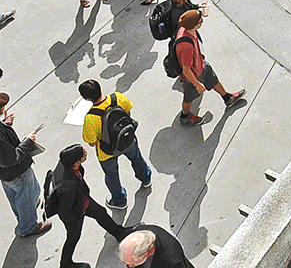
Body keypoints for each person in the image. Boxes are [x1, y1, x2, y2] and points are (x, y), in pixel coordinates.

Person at [78, 80, 152, 209]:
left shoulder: (90, 118)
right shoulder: (118, 97)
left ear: (87, 98)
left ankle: (119, 200)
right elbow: (128, 113)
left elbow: (91, 142)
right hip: (127, 140)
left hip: (107, 152)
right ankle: (145, 178)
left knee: (112, 175)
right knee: (137, 158)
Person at [53, 143, 128, 268]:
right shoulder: (68, 186)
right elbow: (65, 211)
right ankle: (65, 264)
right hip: (75, 212)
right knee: (73, 237)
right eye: (84, 154)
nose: (86, 153)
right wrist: (78, 214)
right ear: (76, 162)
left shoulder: (66, 164)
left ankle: (119, 233)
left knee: (101, 213)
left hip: (82, 200)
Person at [173, 9, 246, 125]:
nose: (202, 22)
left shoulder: (189, 29)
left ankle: (227, 98)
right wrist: (197, 83)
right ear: (194, 25)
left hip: (201, 64)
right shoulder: (185, 46)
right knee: (189, 97)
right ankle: (185, 116)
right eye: (200, 21)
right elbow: (186, 70)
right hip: (193, 76)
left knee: (213, 78)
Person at [0, 92, 51, 237]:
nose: (4, 108)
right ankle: (28, 227)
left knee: (18, 196)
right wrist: (28, 141)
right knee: (25, 195)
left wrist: (5, 125)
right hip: (17, 172)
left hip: (6, 176)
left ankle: (23, 216)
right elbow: (11, 159)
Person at [119, 227, 197, 268]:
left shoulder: (173, 262)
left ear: (146, 253)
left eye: (132, 264)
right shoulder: (140, 232)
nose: (130, 267)